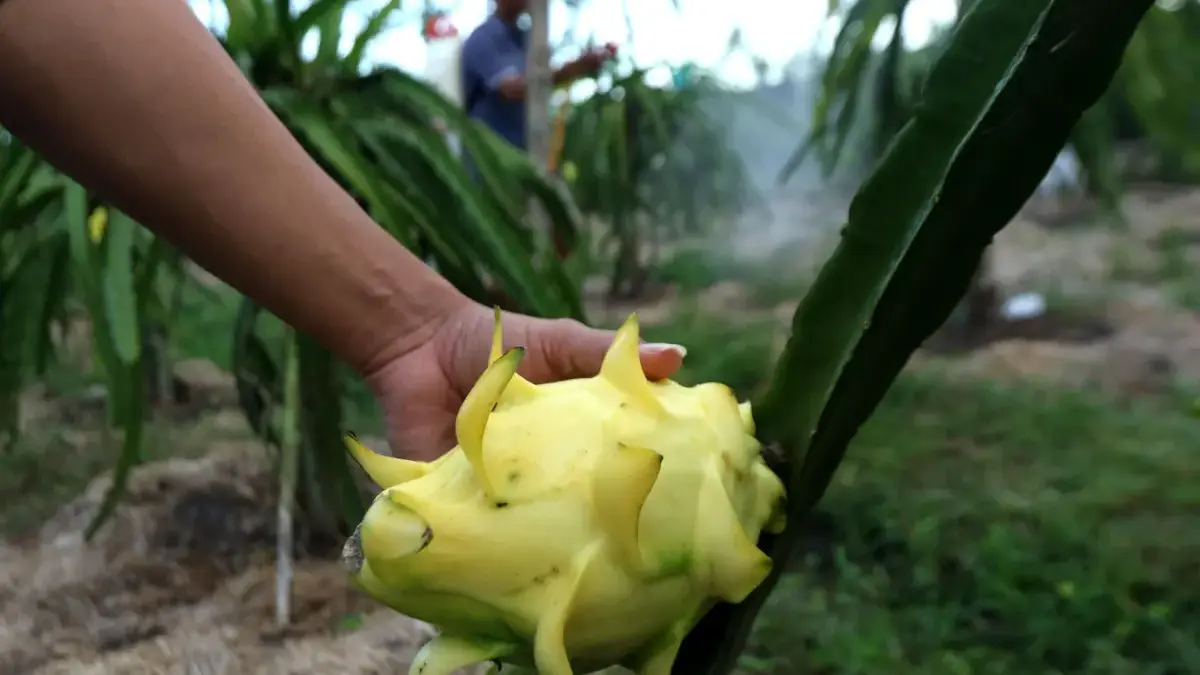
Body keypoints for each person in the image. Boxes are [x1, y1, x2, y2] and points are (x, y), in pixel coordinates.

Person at [0, 0, 684, 462]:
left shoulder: (524, 39)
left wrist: (414, 332)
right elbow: (511, 90)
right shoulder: (485, 43)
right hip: (486, 181)